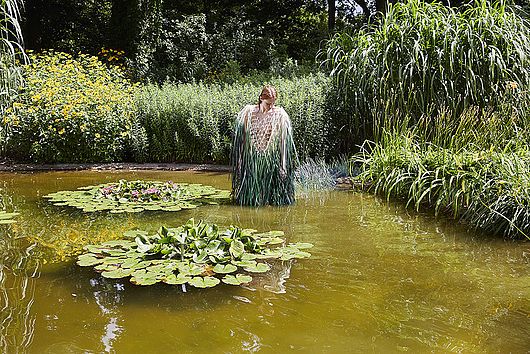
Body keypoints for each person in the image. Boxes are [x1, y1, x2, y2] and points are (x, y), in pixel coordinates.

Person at [230, 86, 296, 206]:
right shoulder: (249, 113)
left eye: (273, 103)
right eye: (268, 104)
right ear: (261, 99)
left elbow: (283, 141)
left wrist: (283, 166)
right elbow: (243, 138)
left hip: (270, 159)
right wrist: (240, 159)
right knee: (253, 196)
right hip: (252, 158)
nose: (271, 106)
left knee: (267, 194)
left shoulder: (279, 114)